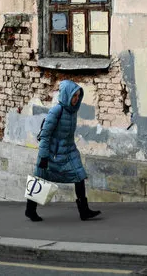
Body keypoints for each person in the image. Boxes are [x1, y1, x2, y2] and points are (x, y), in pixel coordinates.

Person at [25, 80, 102, 222]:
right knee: (40, 178)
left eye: (78, 96)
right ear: (67, 95)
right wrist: (43, 156)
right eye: (74, 96)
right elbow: (45, 134)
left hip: (69, 151)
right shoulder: (57, 110)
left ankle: (84, 211)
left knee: (80, 175)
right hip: (52, 154)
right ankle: (30, 210)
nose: (76, 99)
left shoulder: (73, 111)